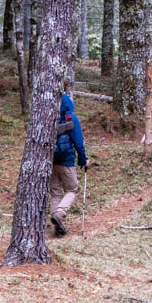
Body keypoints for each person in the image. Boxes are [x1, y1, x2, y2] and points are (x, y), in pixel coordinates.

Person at [49, 93, 89, 237]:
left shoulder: (48, 118)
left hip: (51, 162)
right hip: (66, 162)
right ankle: (59, 215)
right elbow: (78, 143)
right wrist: (83, 160)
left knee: (55, 194)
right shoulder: (71, 119)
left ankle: (57, 227)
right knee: (72, 190)